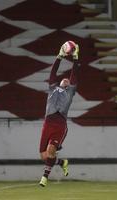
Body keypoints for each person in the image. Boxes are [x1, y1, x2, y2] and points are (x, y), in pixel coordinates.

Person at [39, 42, 80, 187]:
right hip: (47, 123)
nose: (66, 79)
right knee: (44, 155)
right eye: (64, 79)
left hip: (59, 124)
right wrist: (60, 56)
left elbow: (74, 74)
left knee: (50, 151)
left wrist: (75, 58)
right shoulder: (53, 88)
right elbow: (53, 73)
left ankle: (44, 178)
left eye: (68, 80)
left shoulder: (70, 91)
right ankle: (62, 162)